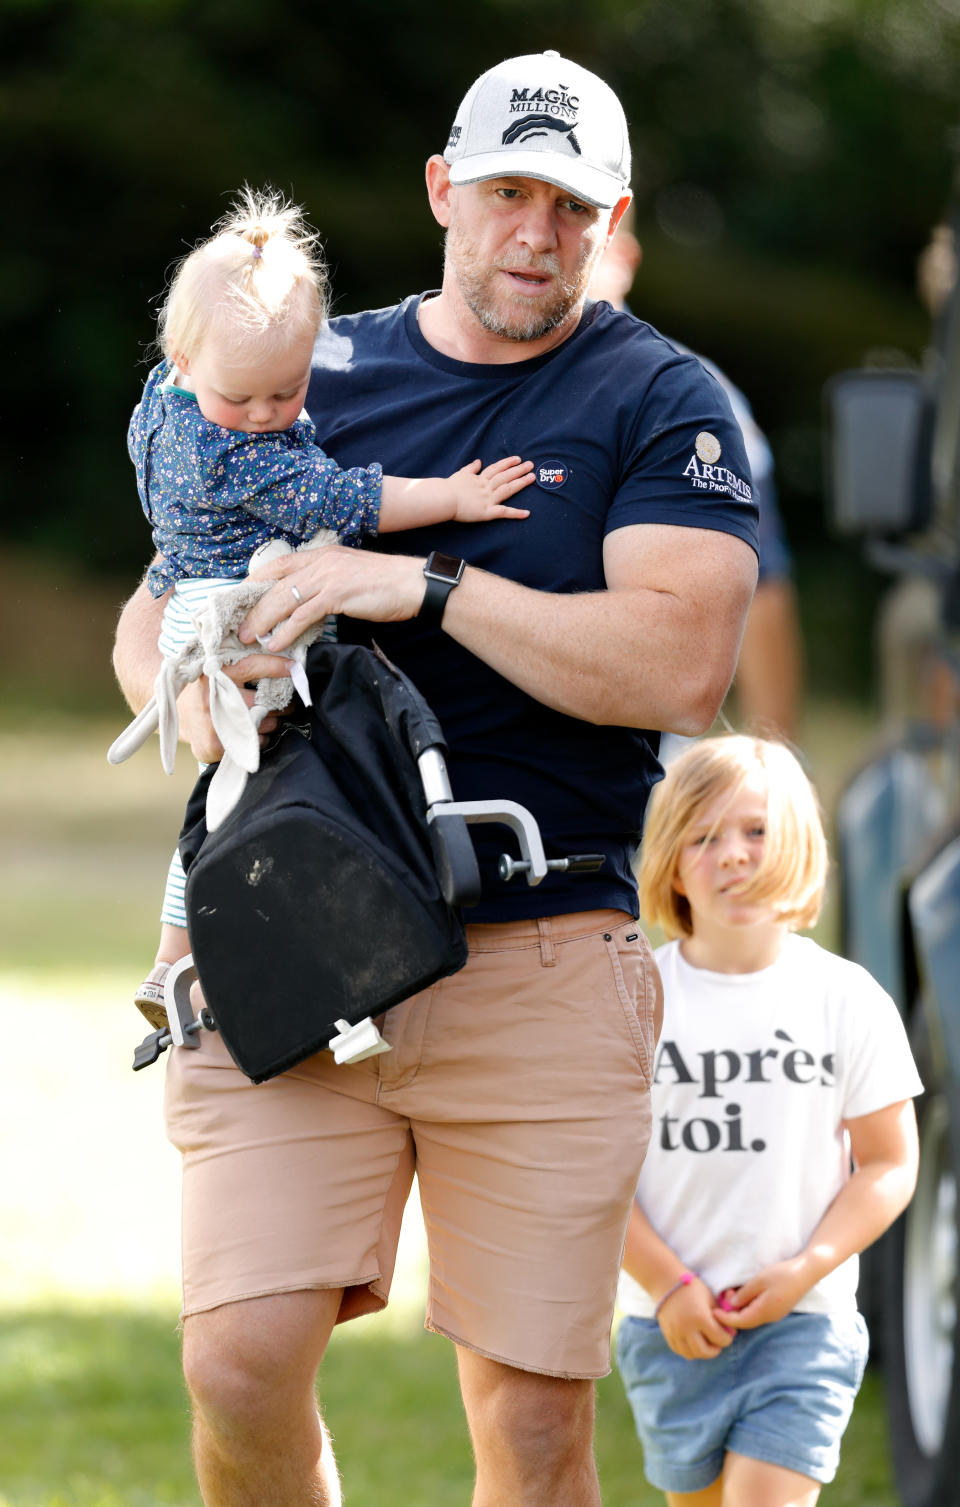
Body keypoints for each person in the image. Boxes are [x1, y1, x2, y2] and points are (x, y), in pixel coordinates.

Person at [113, 50, 760, 1507]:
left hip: (540, 945)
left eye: (569, 207)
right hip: (290, 925)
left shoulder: (664, 400)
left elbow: (677, 665)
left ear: (614, 217)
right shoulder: (297, 367)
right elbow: (155, 607)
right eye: (504, 195)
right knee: (237, 1358)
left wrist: (418, 583)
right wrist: (205, 699)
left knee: (531, 1429)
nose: (533, 234)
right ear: (440, 192)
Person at [123, 186, 534, 1029]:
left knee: (229, 788)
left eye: (289, 389)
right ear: (187, 360)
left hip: (184, 594)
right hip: (236, 615)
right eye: (246, 398)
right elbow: (351, 500)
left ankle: (187, 953)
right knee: (246, 789)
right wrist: (452, 497)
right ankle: (186, 952)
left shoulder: (161, 402)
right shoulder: (241, 456)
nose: (269, 414)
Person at [616, 735, 921, 1507]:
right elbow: (593, 1175)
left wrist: (808, 1266)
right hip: (670, 1325)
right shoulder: (633, 1005)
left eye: (756, 830)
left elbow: (889, 1162)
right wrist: (668, 1283)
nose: (734, 855)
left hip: (803, 1321)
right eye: (704, 835)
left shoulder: (845, 997)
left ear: (797, 841)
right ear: (671, 861)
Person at [589, 209, 803, 742]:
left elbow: (764, 591)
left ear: (624, 258)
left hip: (647, 751)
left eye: (578, 220)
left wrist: (771, 766)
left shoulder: (698, 400)